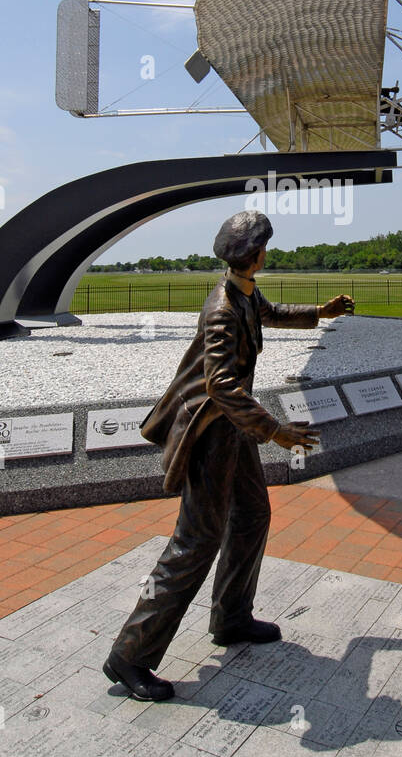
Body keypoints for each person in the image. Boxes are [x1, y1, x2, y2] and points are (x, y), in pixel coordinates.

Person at [102, 209, 355, 701]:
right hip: (211, 433)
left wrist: (319, 314)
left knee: (252, 515)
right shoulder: (221, 308)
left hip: (235, 429)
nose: (268, 253)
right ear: (256, 255)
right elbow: (220, 386)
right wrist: (275, 430)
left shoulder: (243, 290)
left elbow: (269, 313)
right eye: (266, 247)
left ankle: (232, 617)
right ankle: (129, 656)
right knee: (195, 541)